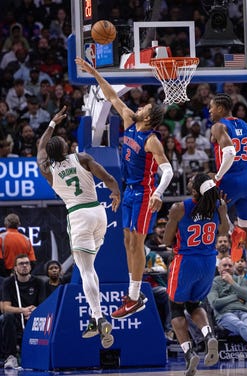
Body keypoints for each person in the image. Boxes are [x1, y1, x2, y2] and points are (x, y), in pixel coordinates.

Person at [75, 57, 173, 319]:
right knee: (127, 240)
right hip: (129, 191)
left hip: (143, 193)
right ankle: (134, 295)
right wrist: (93, 72)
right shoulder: (130, 121)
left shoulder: (152, 141)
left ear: (150, 117)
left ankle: (134, 296)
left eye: (146, 107)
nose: (140, 106)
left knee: (137, 242)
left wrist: (158, 193)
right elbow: (110, 96)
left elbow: (168, 170)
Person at [37, 106, 121, 348]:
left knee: (85, 271)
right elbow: (110, 179)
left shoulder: (46, 169)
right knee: (90, 268)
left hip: (78, 216)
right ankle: (96, 319)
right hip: (99, 212)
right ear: (65, 148)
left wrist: (51, 123)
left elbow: (41, 148)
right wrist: (115, 193)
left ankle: (98, 317)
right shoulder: (82, 158)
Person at [163, 173, 229, 375]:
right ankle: (209, 336)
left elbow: (166, 240)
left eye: (191, 180)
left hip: (186, 262)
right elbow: (224, 231)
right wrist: (223, 211)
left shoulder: (179, 208)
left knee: (175, 308)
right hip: (208, 262)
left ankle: (189, 353)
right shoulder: (217, 206)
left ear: (194, 190)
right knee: (194, 304)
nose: (189, 179)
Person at [209, 93, 247, 294]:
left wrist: (218, 177)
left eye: (211, 107)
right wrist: (245, 180)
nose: (209, 111)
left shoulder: (219, 126)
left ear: (220, 108)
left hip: (229, 178)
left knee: (214, 214)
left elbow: (230, 152)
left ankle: (236, 236)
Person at [208, 256, 247, 360]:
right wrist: (236, 296)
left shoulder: (241, 279)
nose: (227, 268)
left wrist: (231, 282)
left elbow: (246, 296)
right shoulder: (213, 283)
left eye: (230, 265)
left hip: (244, 312)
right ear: (219, 268)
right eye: (224, 265)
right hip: (225, 314)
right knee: (240, 324)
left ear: (233, 268)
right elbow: (215, 303)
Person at [2, 254, 45, 369]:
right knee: (7, 317)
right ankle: (11, 357)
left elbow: (42, 305)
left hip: (34, 317)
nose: (25, 266)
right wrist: (23, 310)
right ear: (15, 268)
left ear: (30, 267)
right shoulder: (8, 283)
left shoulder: (39, 282)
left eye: (27, 263)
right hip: (16, 317)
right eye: (21, 264)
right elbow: (5, 307)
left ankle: (41, 354)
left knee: (46, 316)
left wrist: (33, 311)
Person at [0, 213, 36, 277]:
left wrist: (6, 276)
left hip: (5, 274)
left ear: (6, 224)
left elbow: (0, 261)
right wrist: (24, 275)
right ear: (19, 224)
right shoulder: (26, 239)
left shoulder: (1, 238)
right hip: (22, 275)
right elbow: (32, 261)